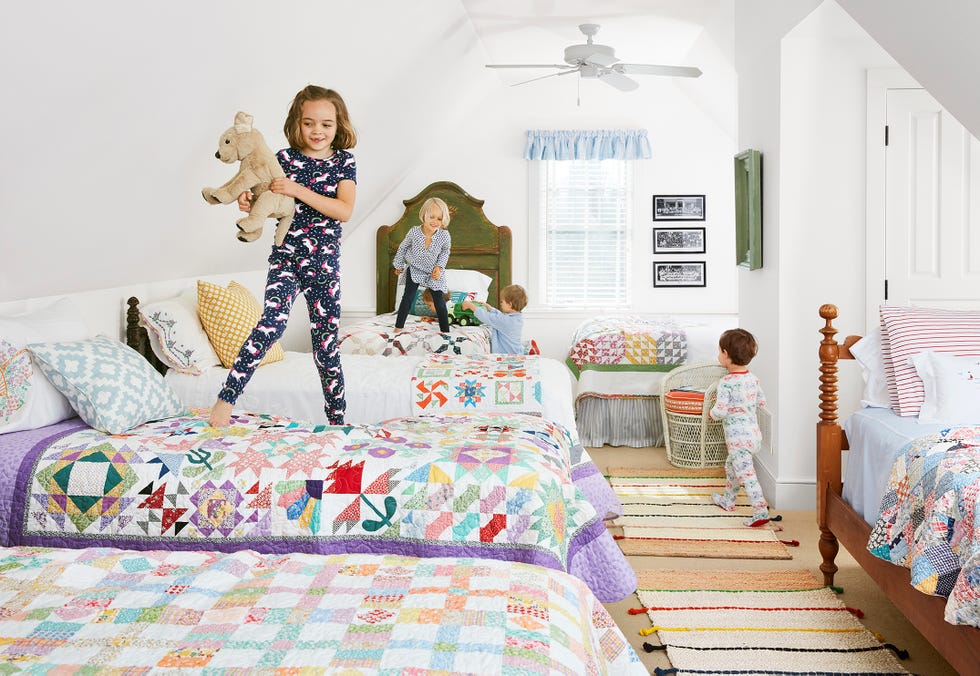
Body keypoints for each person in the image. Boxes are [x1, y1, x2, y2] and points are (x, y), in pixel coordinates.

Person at [209, 85, 357, 428]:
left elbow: (344, 210)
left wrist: (297, 190)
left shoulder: (343, 162)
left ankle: (337, 422)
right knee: (271, 324)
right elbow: (267, 198)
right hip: (286, 258)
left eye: (326, 124)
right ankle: (225, 399)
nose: (317, 131)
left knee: (326, 349)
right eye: (309, 123)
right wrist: (250, 202)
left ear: (338, 126)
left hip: (323, 265)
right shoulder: (283, 160)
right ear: (297, 124)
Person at [708, 328, 771, 527]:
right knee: (731, 467)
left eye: (719, 351)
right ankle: (728, 499)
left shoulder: (726, 383)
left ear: (726, 355)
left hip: (738, 440)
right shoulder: (752, 378)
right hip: (753, 435)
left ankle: (760, 509)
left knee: (747, 475)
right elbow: (762, 401)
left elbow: (720, 411)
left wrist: (711, 413)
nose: (718, 355)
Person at [393, 197, 452, 333]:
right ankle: (398, 328)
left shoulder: (444, 235)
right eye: (432, 217)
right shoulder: (414, 232)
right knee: (407, 297)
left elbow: (445, 252)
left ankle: (445, 331)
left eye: (439, 218)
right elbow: (402, 248)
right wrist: (399, 265)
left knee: (439, 300)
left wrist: (439, 267)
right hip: (415, 269)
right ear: (423, 215)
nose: (435, 221)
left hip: (433, 271)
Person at [461, 284, 527, 354]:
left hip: (507, 355)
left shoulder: (504, 321)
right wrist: (490, 308)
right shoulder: (517, 318)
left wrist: (472, 307)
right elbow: (500, 316)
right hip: (516, 352)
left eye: (502, 302)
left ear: (510, 304)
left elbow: (486, 317)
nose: (500, 304)